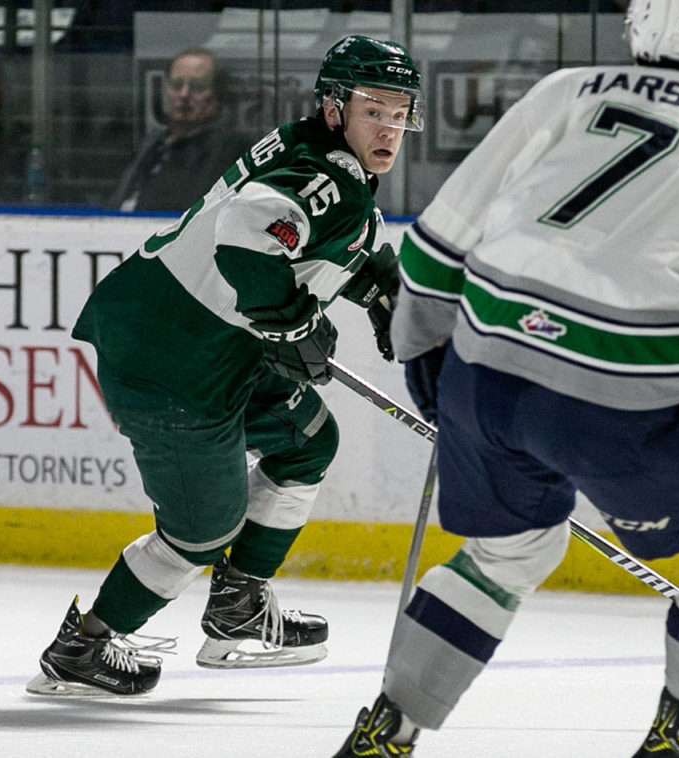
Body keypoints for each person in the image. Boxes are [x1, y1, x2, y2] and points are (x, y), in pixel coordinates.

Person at [333, 1, 679, 756]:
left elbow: (434, 245)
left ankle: (392, 727)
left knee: (506, 554)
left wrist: (424, 347)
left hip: (486, 372)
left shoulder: (566, 91)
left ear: (636, 24)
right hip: (621, 399)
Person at [26, 34, 424, 697]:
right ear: (334, 107)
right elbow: (246, 234)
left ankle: (238, 607)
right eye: (373, 109)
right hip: (174, 362)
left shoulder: (314, 155)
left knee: (307, 440)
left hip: (192, 341)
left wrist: (376, 285)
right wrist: (290, 322)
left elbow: (307, 243)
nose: (389, 128)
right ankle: (83, 648)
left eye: (399, 111)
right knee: (202, 530)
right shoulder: (327, 178)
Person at [110, 47, 255, 212]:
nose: (184, 94)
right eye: (177, 85)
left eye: (198, 87)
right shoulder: (152, 143)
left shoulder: (232, 149)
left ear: (218, 94)